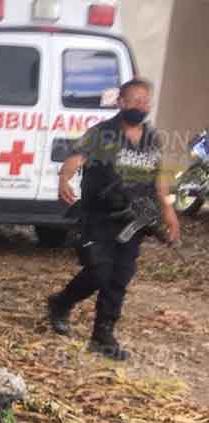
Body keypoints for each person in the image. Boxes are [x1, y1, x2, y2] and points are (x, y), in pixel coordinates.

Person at [46, 79, 180, 361]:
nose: (141, 106)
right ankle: (61, 302)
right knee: (99, 271)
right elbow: (76, 158)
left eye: (146, 101)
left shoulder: (152, 138)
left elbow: (160, 180)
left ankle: (102, 334)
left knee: (120, 276)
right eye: (136, 100)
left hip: (134, 220)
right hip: (99, 216)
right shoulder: (102, 133)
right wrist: (64, 179)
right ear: (121, 102)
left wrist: (169, 212)